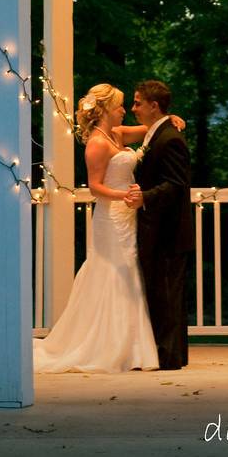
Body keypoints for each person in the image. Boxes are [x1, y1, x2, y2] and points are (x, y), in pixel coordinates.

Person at [33, 83, 185, 373]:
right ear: (104, 109)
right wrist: (125, 195)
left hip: (129, 214)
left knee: (131, 271)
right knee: (115, 271)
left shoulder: (117, 133)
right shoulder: (97, 143)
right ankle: (107, 345)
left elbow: (150, 130)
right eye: (119, 106)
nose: (124, 110)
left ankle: (131, 345)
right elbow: (94, 187)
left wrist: (173, 118)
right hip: (111, 215)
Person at [125, 80, 194, 370]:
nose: (134, 108)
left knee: (167, 293)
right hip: (158, 230)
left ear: (154, 106)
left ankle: (169, 356)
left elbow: (176, 185)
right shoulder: (158, 134)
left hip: (169, 231)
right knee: (162, 292)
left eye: (138, 102)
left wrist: (145, 197)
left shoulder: (171, 139)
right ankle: (168, 354)